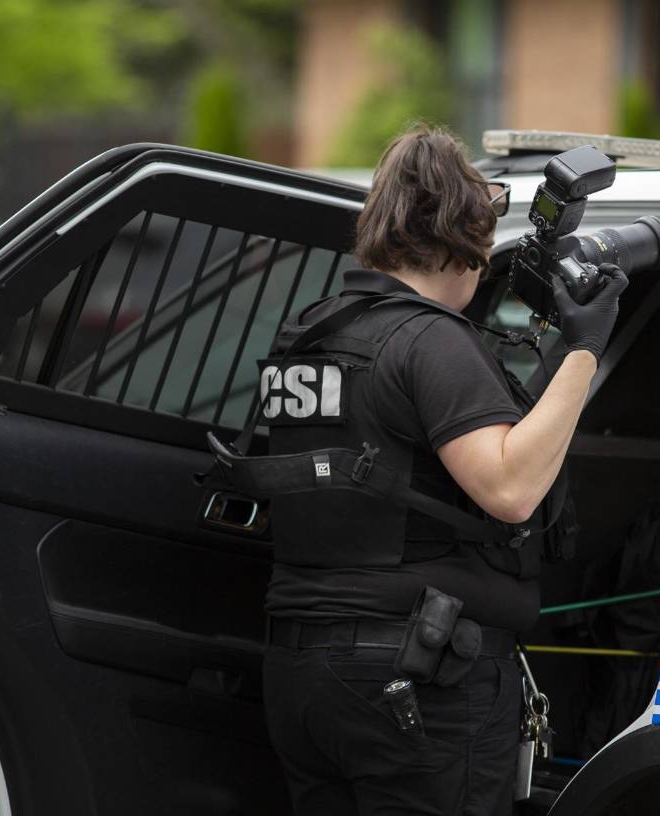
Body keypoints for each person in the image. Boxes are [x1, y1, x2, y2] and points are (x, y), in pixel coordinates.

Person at [212, 126, 627, 815]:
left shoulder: (309, 335)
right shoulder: (430, 340)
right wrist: (584, 348)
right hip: (414, 681)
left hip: (302, 677)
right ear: (463, 237)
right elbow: (510, 490)